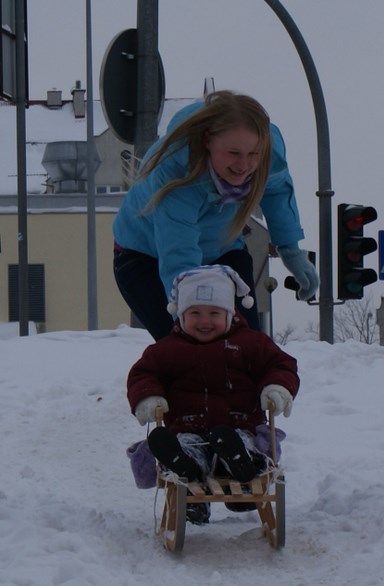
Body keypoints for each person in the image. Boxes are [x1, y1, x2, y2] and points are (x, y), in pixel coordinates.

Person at [113, 90, 319, 340]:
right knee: (185, 346)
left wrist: (290, 250)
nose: (244, 165)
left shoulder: (269, 152)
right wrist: (189, 315)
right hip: (147, 257)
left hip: (222, 250)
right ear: (208, 141)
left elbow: (276, 190)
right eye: (233, 153)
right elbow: (178, 250)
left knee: (246, 344)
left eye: (253, 154)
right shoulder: (177, 169)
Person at [126, 265, 299, 524]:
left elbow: (280, 365)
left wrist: (277, 387)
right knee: (186, 446)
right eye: (195, 313)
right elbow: (144, 374)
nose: (204, 321)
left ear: (229, 314)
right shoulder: (166, 350)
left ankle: (240, 462)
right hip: (187, 429)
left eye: (214, 313)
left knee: (239, 440)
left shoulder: (250, 343)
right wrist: (148, 396)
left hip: (240, 425)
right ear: (181, 315)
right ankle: (186, 467)